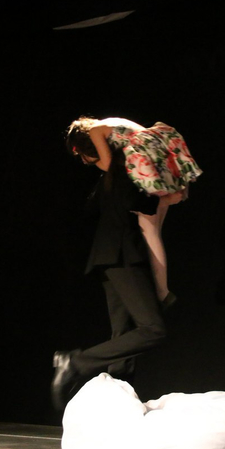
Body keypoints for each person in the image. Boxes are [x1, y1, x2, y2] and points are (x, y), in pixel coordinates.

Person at [52, 119, 194, 411]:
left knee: (124, 337)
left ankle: (117, 408)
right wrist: (167, 198)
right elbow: (139, 209)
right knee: (153, 329)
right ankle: (75, 362)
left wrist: (166, 198)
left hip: (113, 258)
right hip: (121, 256)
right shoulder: (124, 170)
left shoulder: (120, 171)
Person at [65, 116, 202, 309]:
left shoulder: (95, 131)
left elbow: (109, 165)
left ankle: (162, 292)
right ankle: (161, 289)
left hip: (148, 165)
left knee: (150, 231)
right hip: (162, 159)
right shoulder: (110, 121)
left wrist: (93, 161)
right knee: (154, 232)